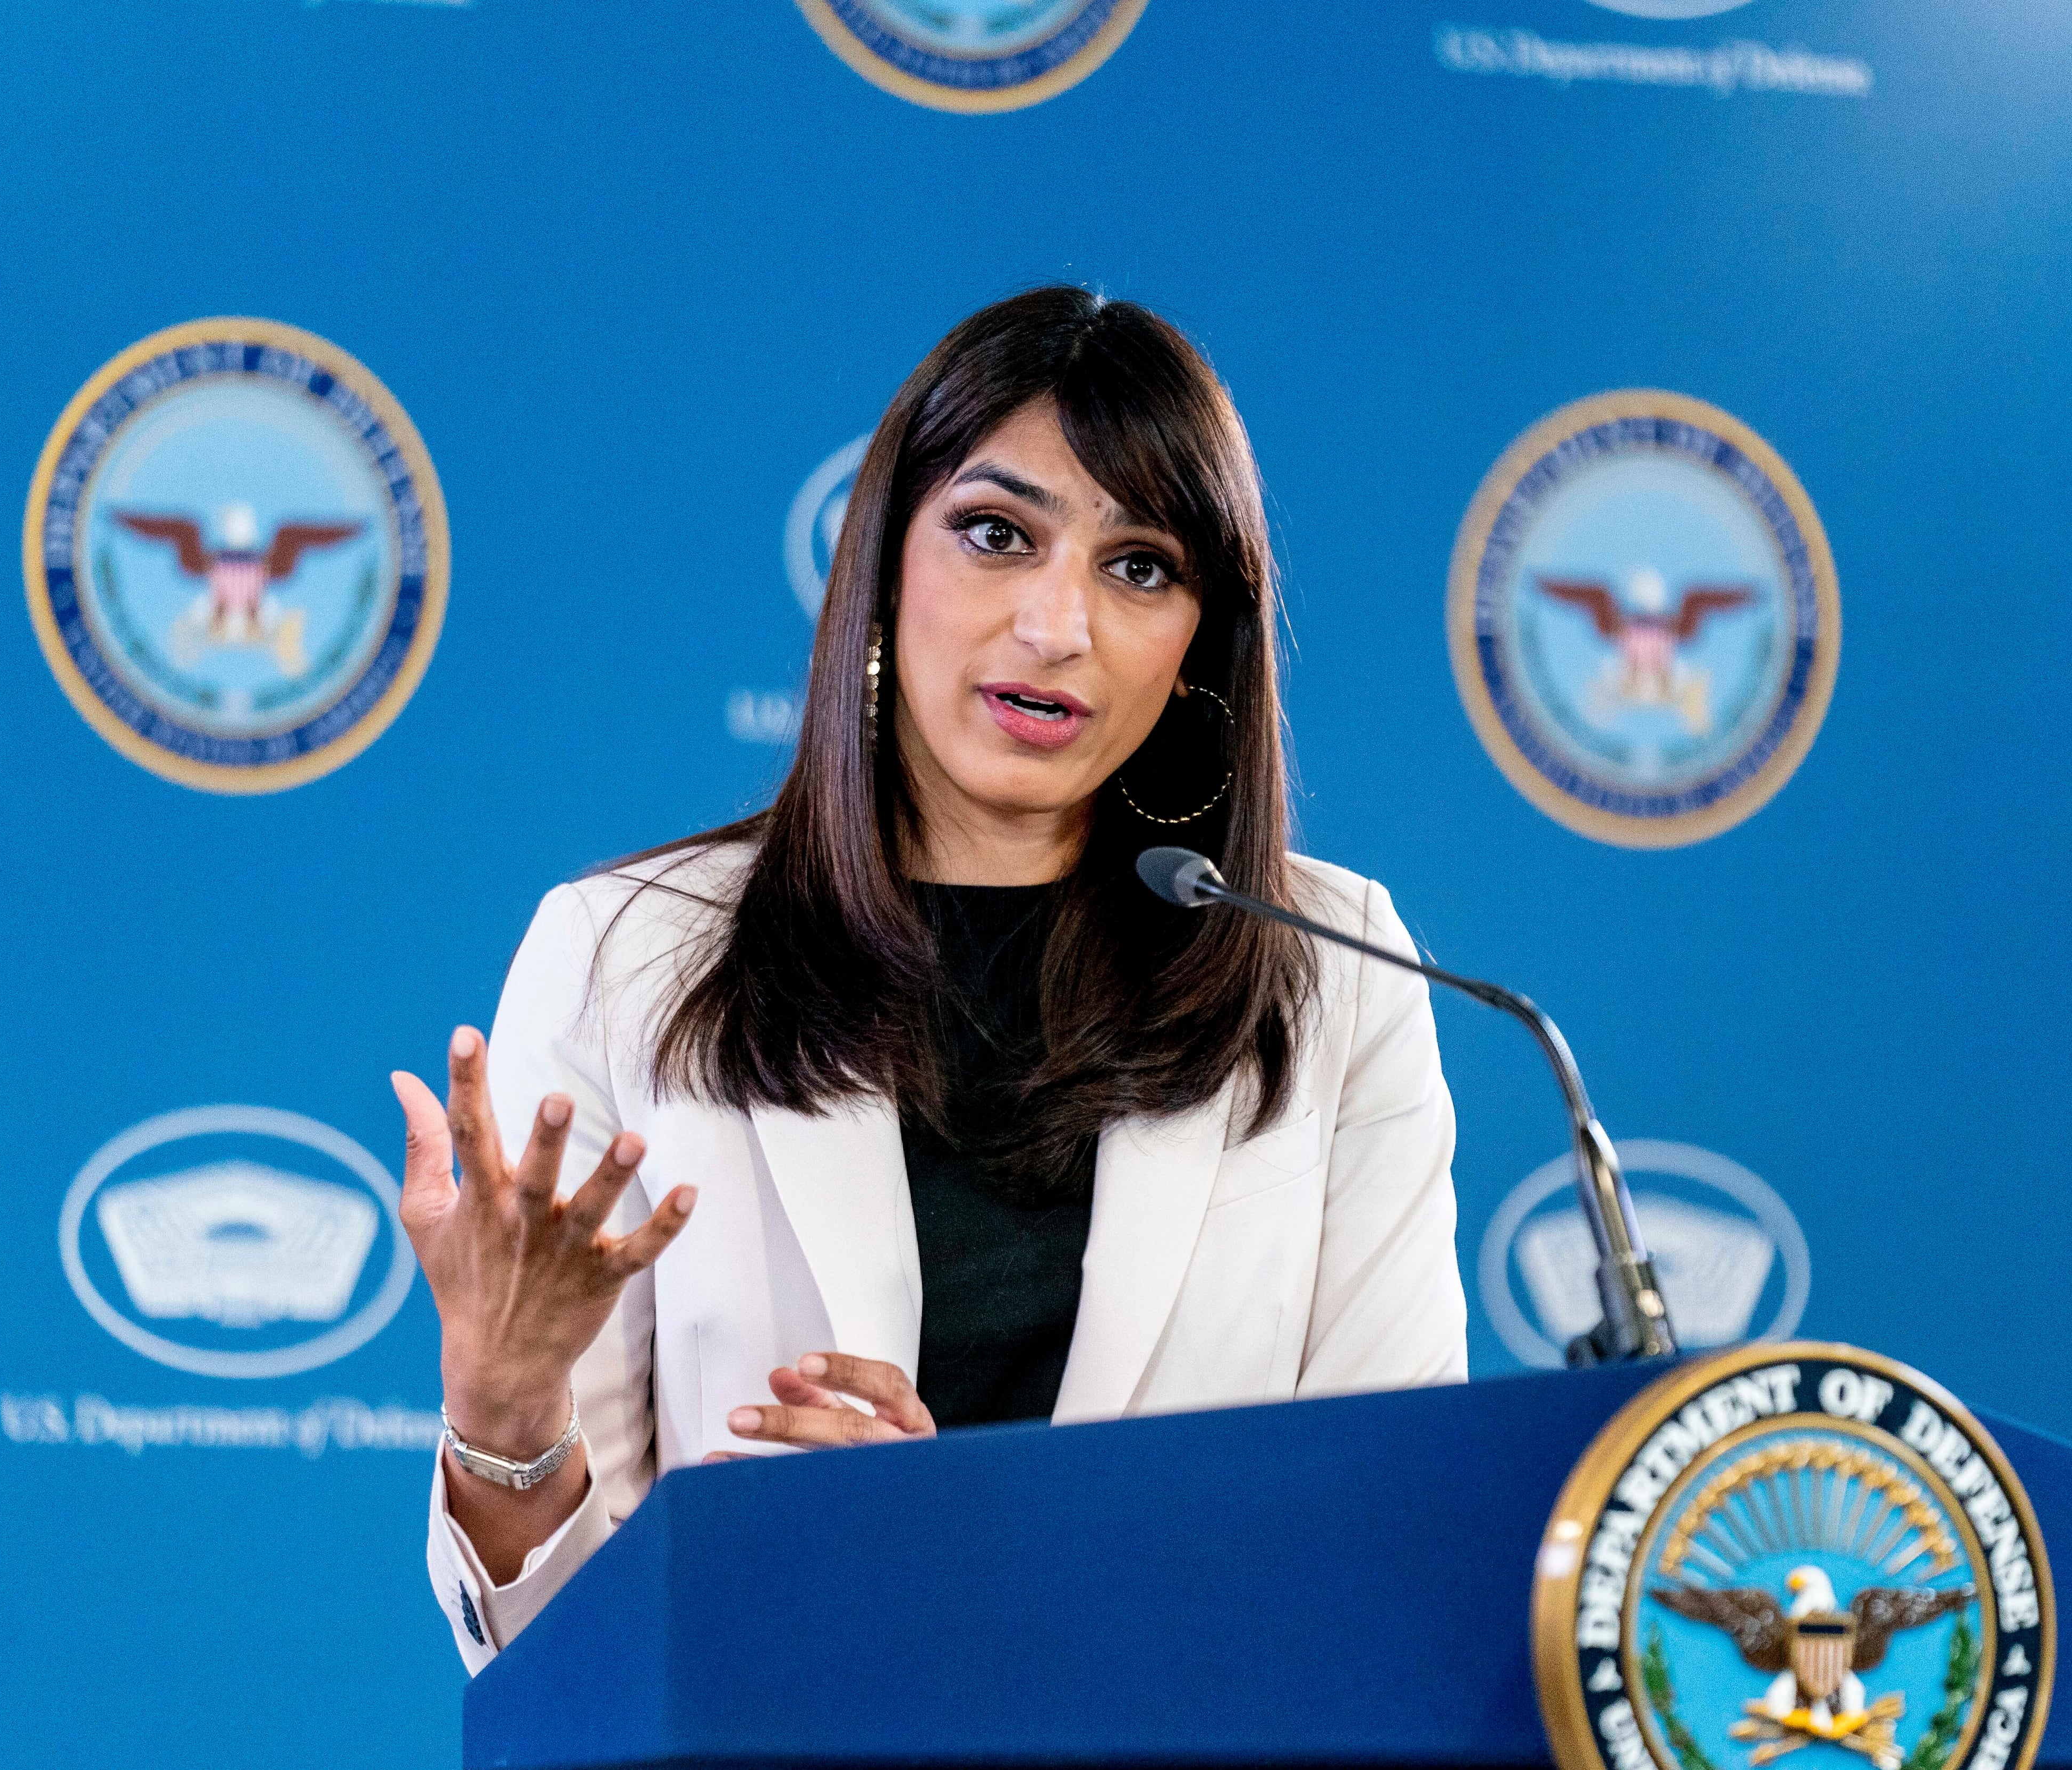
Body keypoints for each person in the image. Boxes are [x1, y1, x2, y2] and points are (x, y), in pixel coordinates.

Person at [395, 287, 1466, 1671]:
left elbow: (1372, 1560)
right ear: (883, 561)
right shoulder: (631, 954)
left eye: (1140, 566)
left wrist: (957, 1547)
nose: (1056, 625)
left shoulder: (1331, 975)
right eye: (998, 534)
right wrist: (505, 1406)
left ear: (1205, 636)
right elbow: (549, 1663)